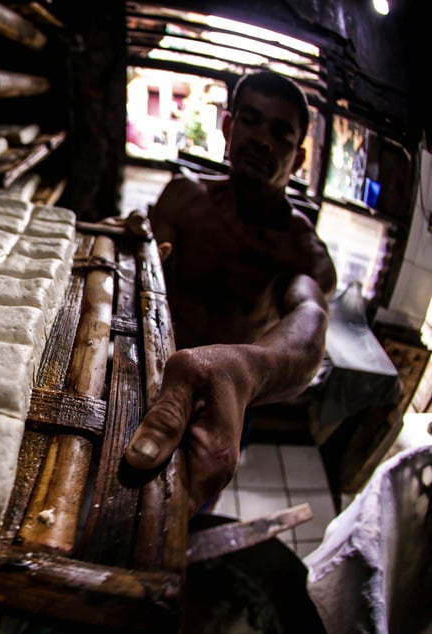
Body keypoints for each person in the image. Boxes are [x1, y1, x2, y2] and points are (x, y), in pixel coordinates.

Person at [118, 70, 338, 516]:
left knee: (176, 514)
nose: (261, 140)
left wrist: (245, 370)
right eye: (251, 121)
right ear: (228, 128)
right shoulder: (183, 198)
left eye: (280, 133)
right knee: (115, 488)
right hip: (144, 373)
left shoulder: (302, 251)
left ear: (297, 159)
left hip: (225, 398)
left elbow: (309, 319)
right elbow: (145, 275)